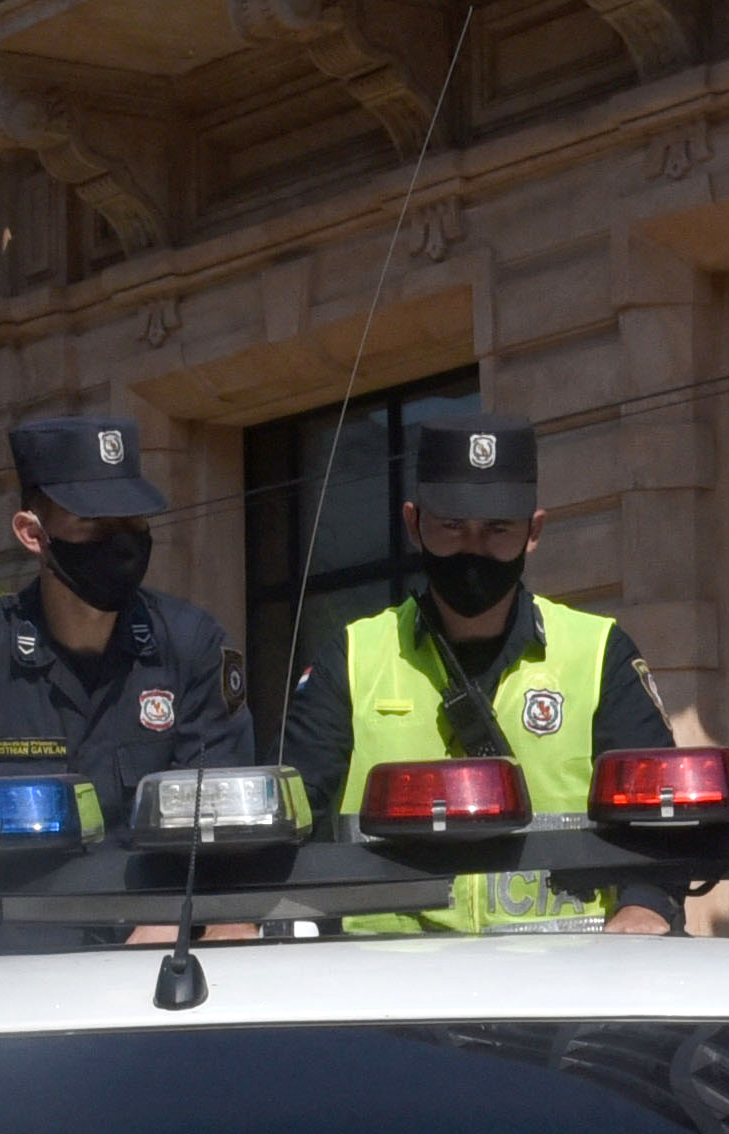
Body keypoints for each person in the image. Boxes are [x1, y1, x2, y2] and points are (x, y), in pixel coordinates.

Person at [279, 398, 679, 937]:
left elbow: (663, 822)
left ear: (534, 532)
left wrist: (645, 907)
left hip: (564, 993)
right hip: (387, 990)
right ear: (414, 524)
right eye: (451, 527)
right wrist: (235, 917)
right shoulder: (351, 660)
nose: (473, 550)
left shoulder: (599, 654)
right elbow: (285, 820)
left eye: (497, 530)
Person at [0, 412, 256, 956]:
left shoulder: (191, 649)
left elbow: (228, 819)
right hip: (1, 980)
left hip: (157, 965)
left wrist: (177, 921)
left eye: (133, 525)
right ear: (32, 533)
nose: (121, 546)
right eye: (94, 528)